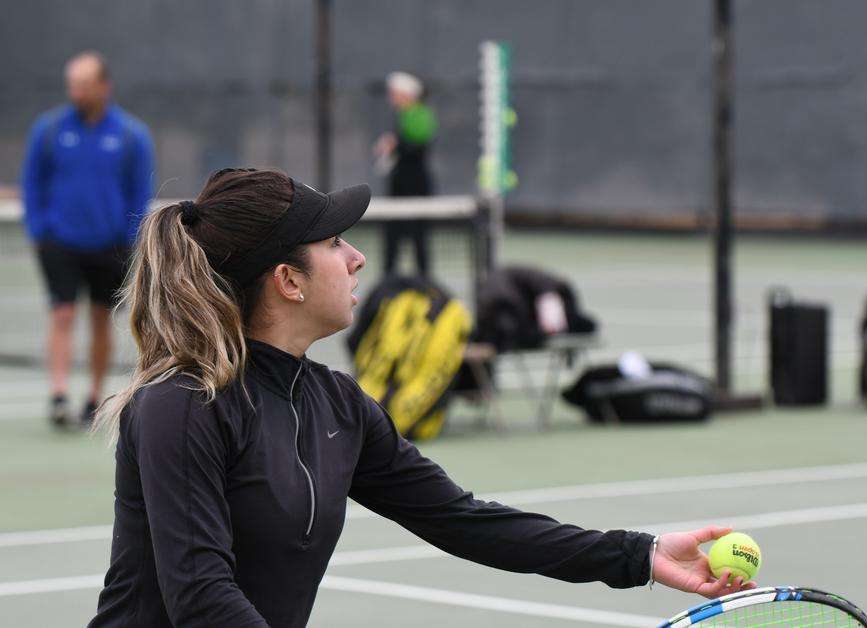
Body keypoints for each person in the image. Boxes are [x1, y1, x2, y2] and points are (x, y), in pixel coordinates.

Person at [88, 168, 755, 628]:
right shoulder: (182, 406)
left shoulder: (338, 407)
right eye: (334, 243)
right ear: (288, 280)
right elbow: (202, 598)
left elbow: (463, 521)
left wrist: (638, 555)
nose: (357, 259)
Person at [21, 51, 155, 428]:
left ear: (103, 86)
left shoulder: (131, 136)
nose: (76, 92)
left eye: (83, 84)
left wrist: (128, 238)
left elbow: (139, 193)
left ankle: (93, 398)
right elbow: (33, 182)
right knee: (61, 313)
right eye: (72, 85)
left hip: (109, 246)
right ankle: (59, 396)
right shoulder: (48, 130)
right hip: (60, 242)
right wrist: (39, 229)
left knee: (100, 318)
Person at [373, 71, 437, 276]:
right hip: (399, 185)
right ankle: (388, 279)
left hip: (416, 185)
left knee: (418, 235)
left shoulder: (419, 114)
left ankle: (424, 279)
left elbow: (418, 145)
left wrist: (394, 144)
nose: (391, 97)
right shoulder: (402, 116)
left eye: (394, 93)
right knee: (392, 235)